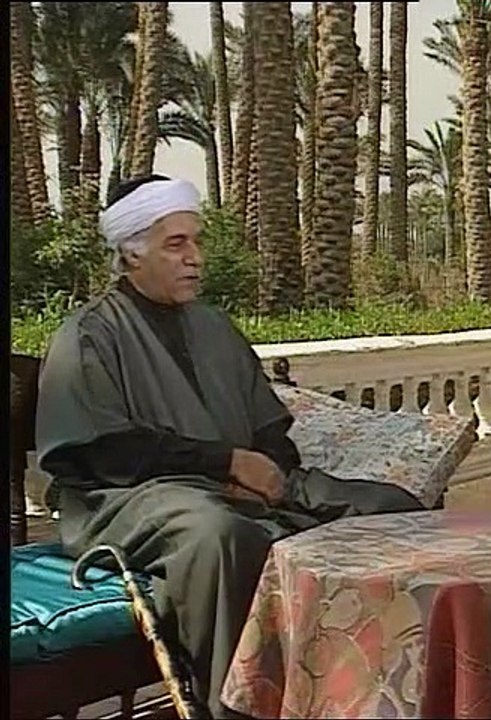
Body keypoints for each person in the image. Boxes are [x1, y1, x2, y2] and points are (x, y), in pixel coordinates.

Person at [35, 175, 424, 718]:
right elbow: (100, 452)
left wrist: (271, 477)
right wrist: (226, 464)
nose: (195, 257)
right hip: (130, 497)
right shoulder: (88, 335)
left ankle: (378, 692)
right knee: (218, 534)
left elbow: (268, 426)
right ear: (131, 253)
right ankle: (235, 706)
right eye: (176, 244)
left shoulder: (214, 325)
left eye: (196, 241)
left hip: (237, 485)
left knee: (390, 508)